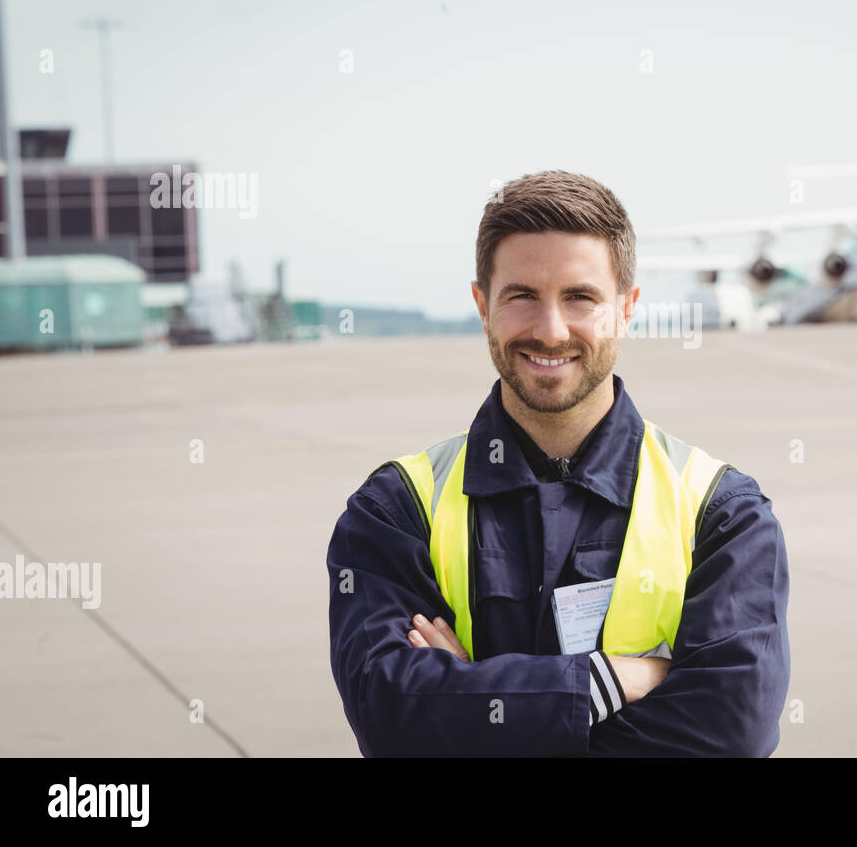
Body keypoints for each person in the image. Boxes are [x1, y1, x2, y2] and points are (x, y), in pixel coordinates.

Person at [326, 170, 791, 756]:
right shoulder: (395, 510)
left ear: (626, 308)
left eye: (580, 297)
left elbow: (730, 733)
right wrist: (619, 680)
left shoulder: (723, 514)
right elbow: (391, 718)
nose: (550, 331)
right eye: (522, 296)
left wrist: (471, 708)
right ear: (482, 305)